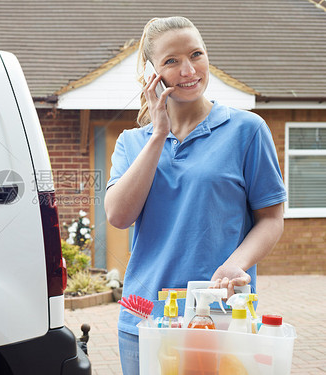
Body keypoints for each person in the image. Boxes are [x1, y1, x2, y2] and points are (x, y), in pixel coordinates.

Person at [104, 16, 286, 374]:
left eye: (196, 55)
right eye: (171, 61)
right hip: (144, 317)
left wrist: (237, 264)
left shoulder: (247, 130)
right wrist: (158, 134)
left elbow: (271, 218)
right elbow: (119, 216)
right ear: (150, 74)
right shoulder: (132, 143)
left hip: (222, 315)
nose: (188, 70)